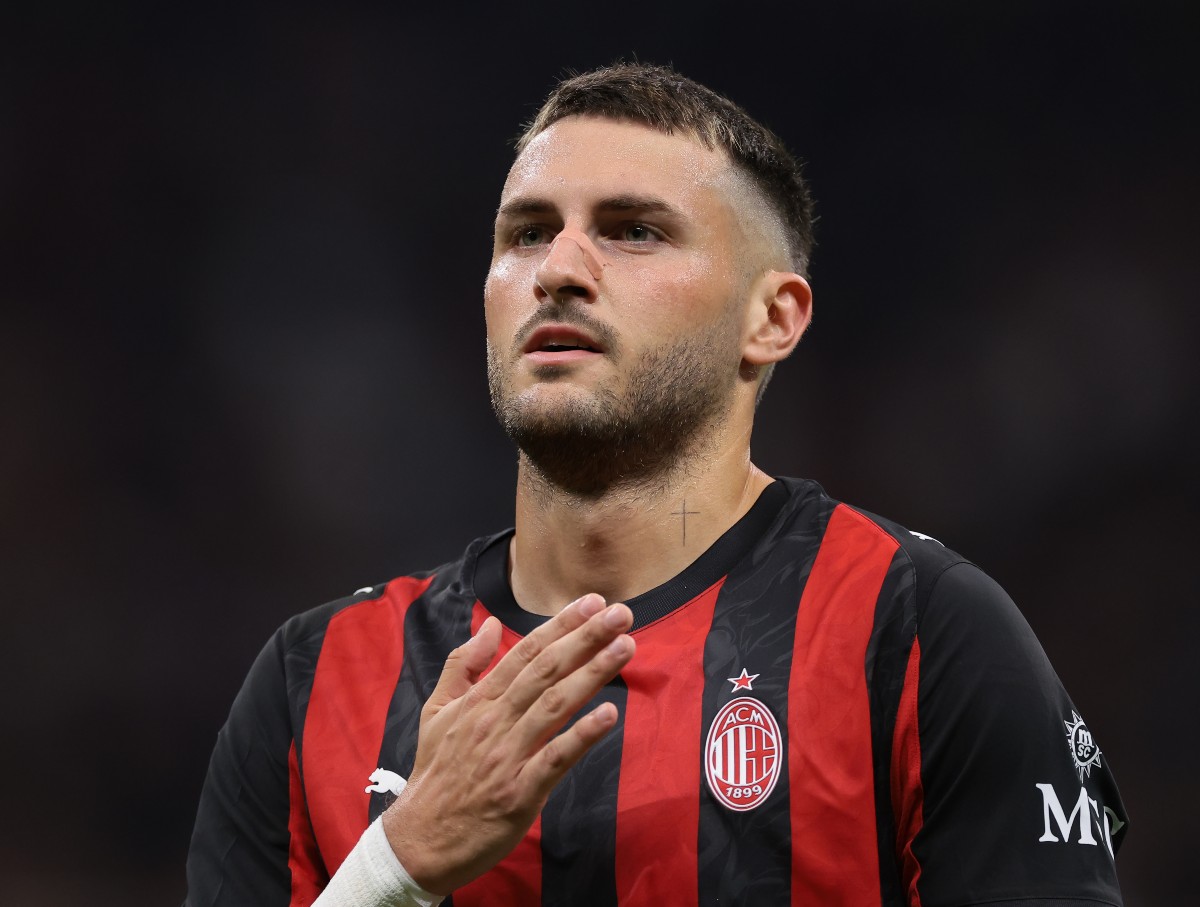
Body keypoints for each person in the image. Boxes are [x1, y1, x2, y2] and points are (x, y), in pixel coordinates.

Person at [183, 63, 1128, 907]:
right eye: (526, 234)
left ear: (772, 318)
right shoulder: (314, 678)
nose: (557, 269)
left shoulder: (919, 630)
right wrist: (401, 866)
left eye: (633, 231)